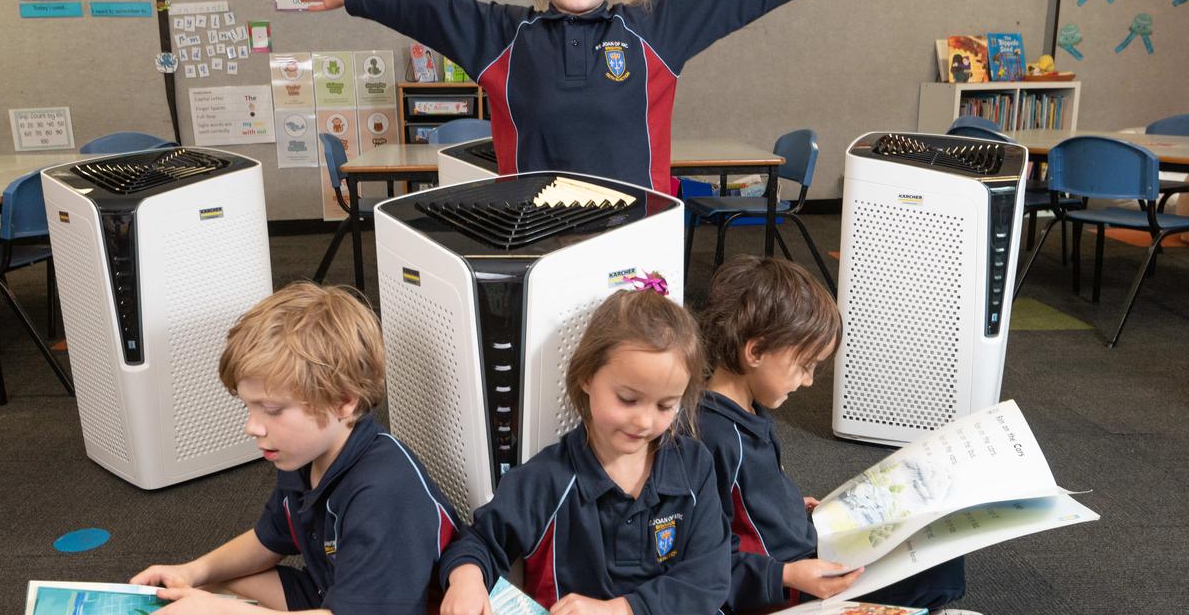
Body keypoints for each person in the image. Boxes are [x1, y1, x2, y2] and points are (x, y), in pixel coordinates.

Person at [294, 0, 881, 195]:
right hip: (533, 231)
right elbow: (428, 7)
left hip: (637, 232)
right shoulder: (503, 37)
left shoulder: (653, 31)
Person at [130, 283, 460, 614]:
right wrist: (191, 571)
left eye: (271, 410)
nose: (252, 427)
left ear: (344, 402)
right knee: (199, 587)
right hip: (331, 588)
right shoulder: (305, 457)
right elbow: (268, 539)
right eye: (249, 407)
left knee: (212, 605)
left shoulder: (384, 491)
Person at [697, 256, 974, 614]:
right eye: (804, 366)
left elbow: (751, 504)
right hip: (789, 586)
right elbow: (708, 555)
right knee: (939, 572)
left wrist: (793, 508)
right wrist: (790, 573)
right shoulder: (715, 437)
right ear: (756, 350)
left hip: (803, 554)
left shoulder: (746, 411)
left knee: (938, 541)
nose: (809, 380)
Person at [438, 288, 730, 615]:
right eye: (628, 399)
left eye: (666, 405)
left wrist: (623, 609)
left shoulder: (694, 465)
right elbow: (477, 543)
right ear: (587, 377)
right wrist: (467, 579)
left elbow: (710, 577)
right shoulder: (546, 480)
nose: (645, 421)